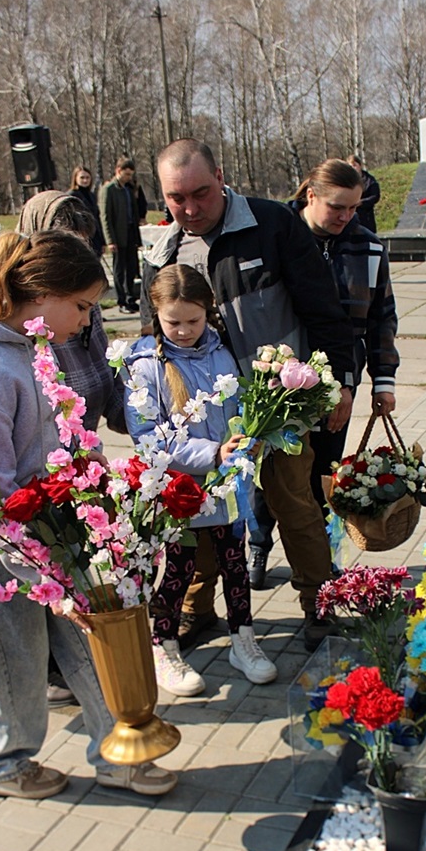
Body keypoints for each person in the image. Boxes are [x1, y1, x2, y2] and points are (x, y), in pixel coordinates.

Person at [0, 230, 177, 798]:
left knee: (86, 645)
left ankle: (119, 751)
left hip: (50, 535)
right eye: (82, 307)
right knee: (19, 662)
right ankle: (3, 763)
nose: (86, 323)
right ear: (39, 293)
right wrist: (46, 576)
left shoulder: (23, 351)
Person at [139, 138, 357, 652]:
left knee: (294, 505)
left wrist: (342, 383)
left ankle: (319, 605)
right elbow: (157, 339)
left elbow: (325, 310)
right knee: (202, 509)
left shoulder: (273, 225)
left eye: (202, 193)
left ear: (222, 175)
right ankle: (198, 607)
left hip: (277, 406)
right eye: (176, 198)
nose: (190, 208)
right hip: (206, 421)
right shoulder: (165, 251)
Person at [124, 263, 277, 695]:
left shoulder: (221, 351)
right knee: (179, 569)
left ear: (208, 312)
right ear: (156, 313)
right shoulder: (143, 365)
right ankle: (164, 646)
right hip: (179, 490)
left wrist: (247, 438)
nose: (185, 330)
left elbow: (236, 409)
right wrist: (210, 453)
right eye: (174, 322)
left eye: (194, 320)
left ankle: (242, 639)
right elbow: (149, 439)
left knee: (235, 565)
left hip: (228, 485)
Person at [247, 158, 399, 588]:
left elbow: (381, 319)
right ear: (310, 195)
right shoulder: (276, 238)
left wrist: (382, 380)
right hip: (281, 380)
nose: (346, 217)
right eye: (337, 207)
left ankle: (319, 563)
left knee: (322, 476)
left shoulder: (368, 248)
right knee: (271, 474)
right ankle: (259, 545)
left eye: (353, 208)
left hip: (339, 384)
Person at [17, 190, 128, 706]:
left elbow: (102, 366)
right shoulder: (28, 321)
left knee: (79, 557)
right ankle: (52, 669)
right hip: (43, 461)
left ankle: (76, 661)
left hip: (80, 452)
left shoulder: (81, 308)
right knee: (48, 562)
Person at [99, 156, 141, 313]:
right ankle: (121, 300)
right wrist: (110, 240)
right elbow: (105, 216)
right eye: (127, 174)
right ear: (119, 171)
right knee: (119, 270)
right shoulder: (109, 190)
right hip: (118, 235)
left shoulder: (128, 190)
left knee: (131, 268)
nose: (129, 177)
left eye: (131, 175)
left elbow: (134, 213)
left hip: (130, 233)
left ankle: (131, 298)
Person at [68, 166, 106, 257]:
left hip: (95, 238)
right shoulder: (72, 195)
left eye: (87, 177)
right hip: (81, 238)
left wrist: (102, 241)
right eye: (82, 178)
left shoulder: (92, 195)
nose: (85, 180)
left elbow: (97, 218)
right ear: (75, 178)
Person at [346, 154, 381, 234]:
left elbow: (375, 196)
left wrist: (362, 202)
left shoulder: (370, 180)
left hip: (366, 216)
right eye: (350, 166)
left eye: (354, 165)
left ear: (360, 165)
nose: (352, 168)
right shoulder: (346, 181)